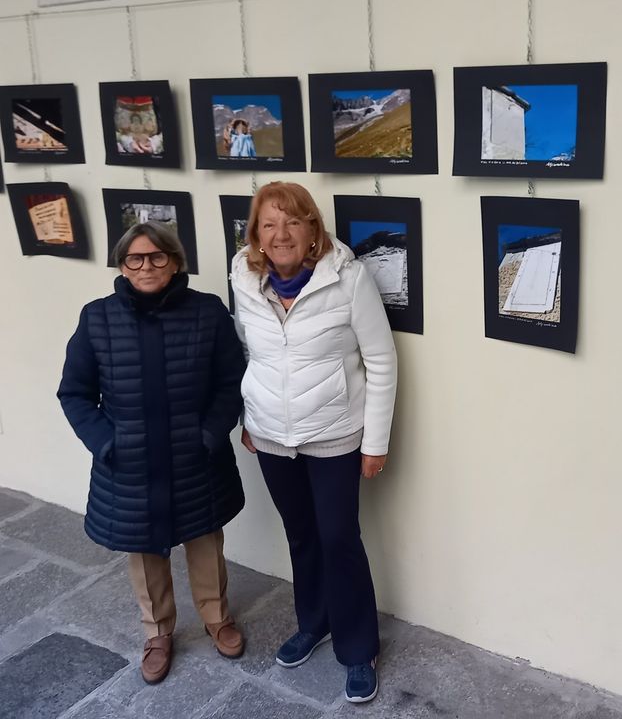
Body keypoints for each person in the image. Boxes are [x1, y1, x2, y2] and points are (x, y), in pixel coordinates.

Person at [58, 221, 246, 684]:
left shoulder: (207, 312)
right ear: (122, 266)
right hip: (130, 464)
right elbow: (75, 393)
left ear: (175, 262)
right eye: (135, 258)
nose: (147, 267)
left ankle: (217, 617)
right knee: (144, 551)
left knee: (205, 541)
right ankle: (157, 631)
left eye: (158, 256)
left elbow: (231, 382)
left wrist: (209, 434)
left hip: (195, 457)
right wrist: (106, 443)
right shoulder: (97, 318)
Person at [230, 181, 397, 703]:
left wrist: (375, 442)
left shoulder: (347, 278)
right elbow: (247, 352)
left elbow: (382, 361)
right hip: (270, 435)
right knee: (301, 535)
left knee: (339, 537)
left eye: (293, 222)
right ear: (256, 234)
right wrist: (249, 417)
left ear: (312, 230)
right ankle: (315, 622)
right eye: (269, 224)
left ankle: (359, 647)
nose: (281, 234)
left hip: (334, 434)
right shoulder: (243, 278)